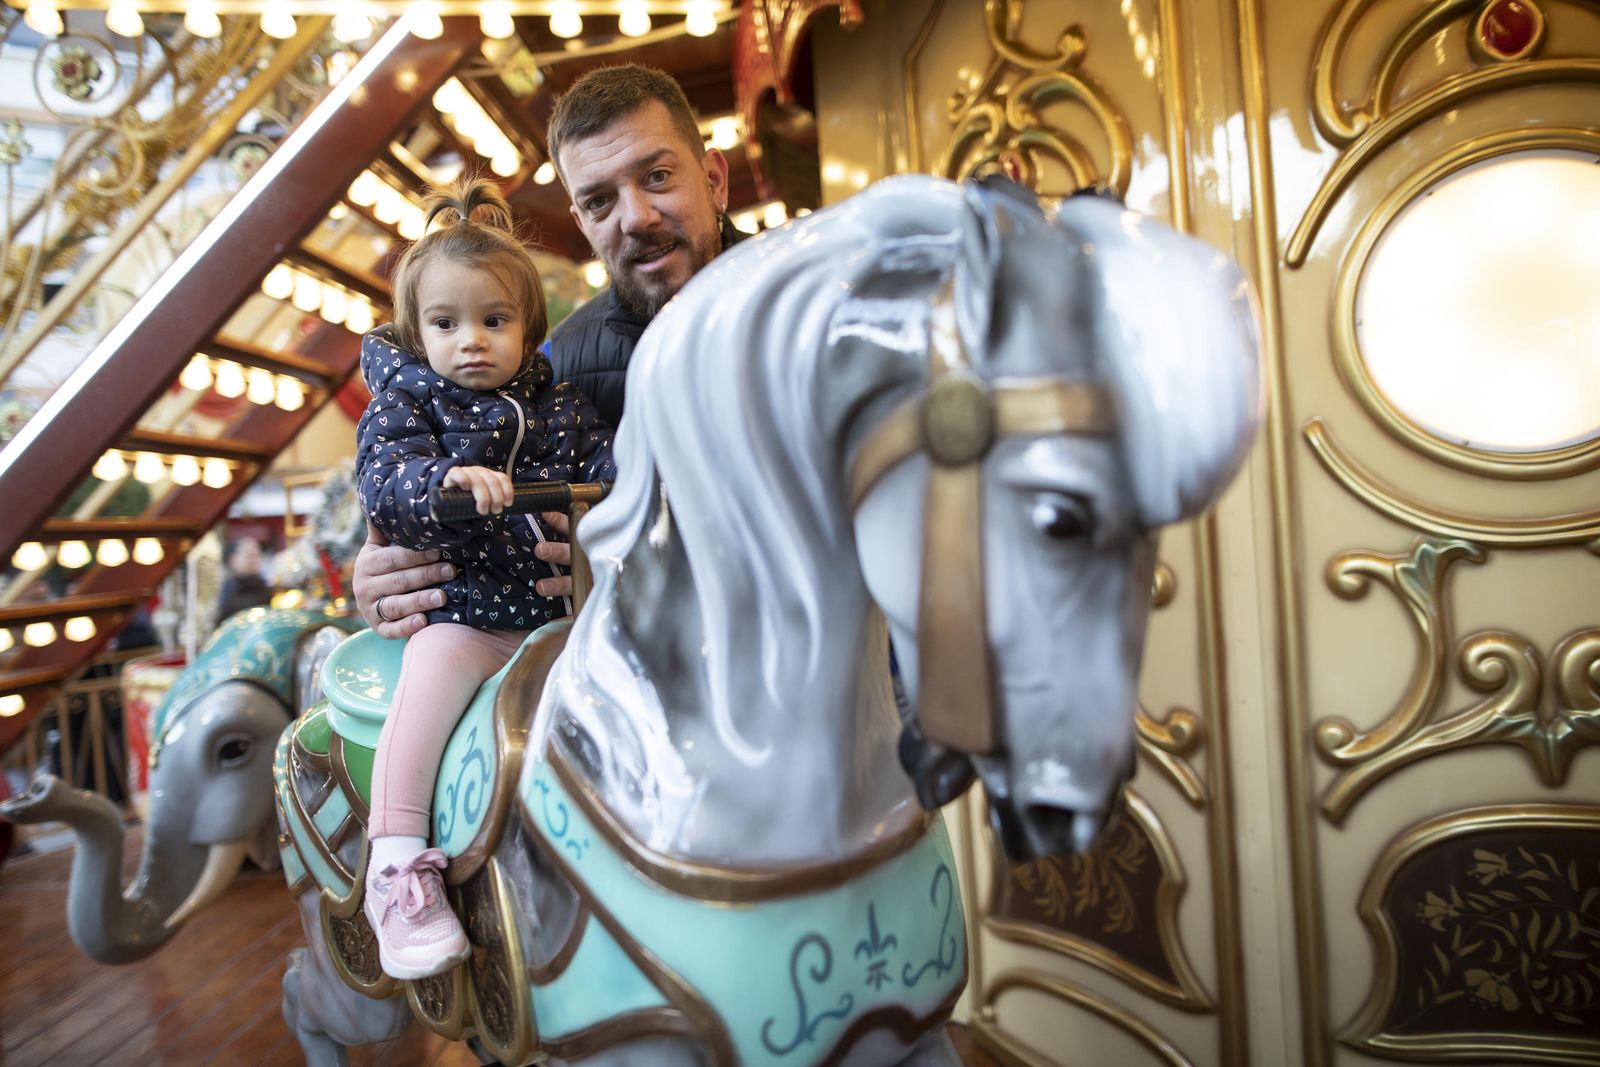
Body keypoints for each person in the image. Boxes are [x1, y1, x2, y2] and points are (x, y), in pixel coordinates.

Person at [353, 64, 742, 636]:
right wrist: (391, 582)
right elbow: (398, 491)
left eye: (657, 176)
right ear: (582, 222)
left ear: (713, 178)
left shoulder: (818, 308)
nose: (635, 217)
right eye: (600, 201)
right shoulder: (555, 370)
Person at [354, 178, 615, 980]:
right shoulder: (407, 407)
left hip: (560, 618)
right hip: (466, 619)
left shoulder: (563, 407)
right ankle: (395, 865)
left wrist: (614, 500)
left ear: (528, 327)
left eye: (494, 320)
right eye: (446, 322)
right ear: (416, 330)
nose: (471, 340)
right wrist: (446, 485)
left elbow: (608, 473)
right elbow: (385, 477)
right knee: (431, 676)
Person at [217, 537, 274, 621]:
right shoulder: (224, 591)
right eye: (249, 555)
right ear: (232, 559)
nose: (254, 558)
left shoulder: (268, 587)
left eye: (257, 554)